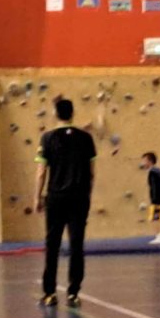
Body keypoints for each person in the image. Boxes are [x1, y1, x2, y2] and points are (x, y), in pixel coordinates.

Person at [34, 98, 96, 307]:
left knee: (52, 244)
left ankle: (50, 293)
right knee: (77, 244)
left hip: (56, 198)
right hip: (79, 197)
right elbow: (92, 174)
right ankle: (73, 293)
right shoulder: (86, 138)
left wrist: (37, 197)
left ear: (55, 113)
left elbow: (41, 172)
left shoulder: (47, 138)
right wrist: (87, 195)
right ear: (72, 114)